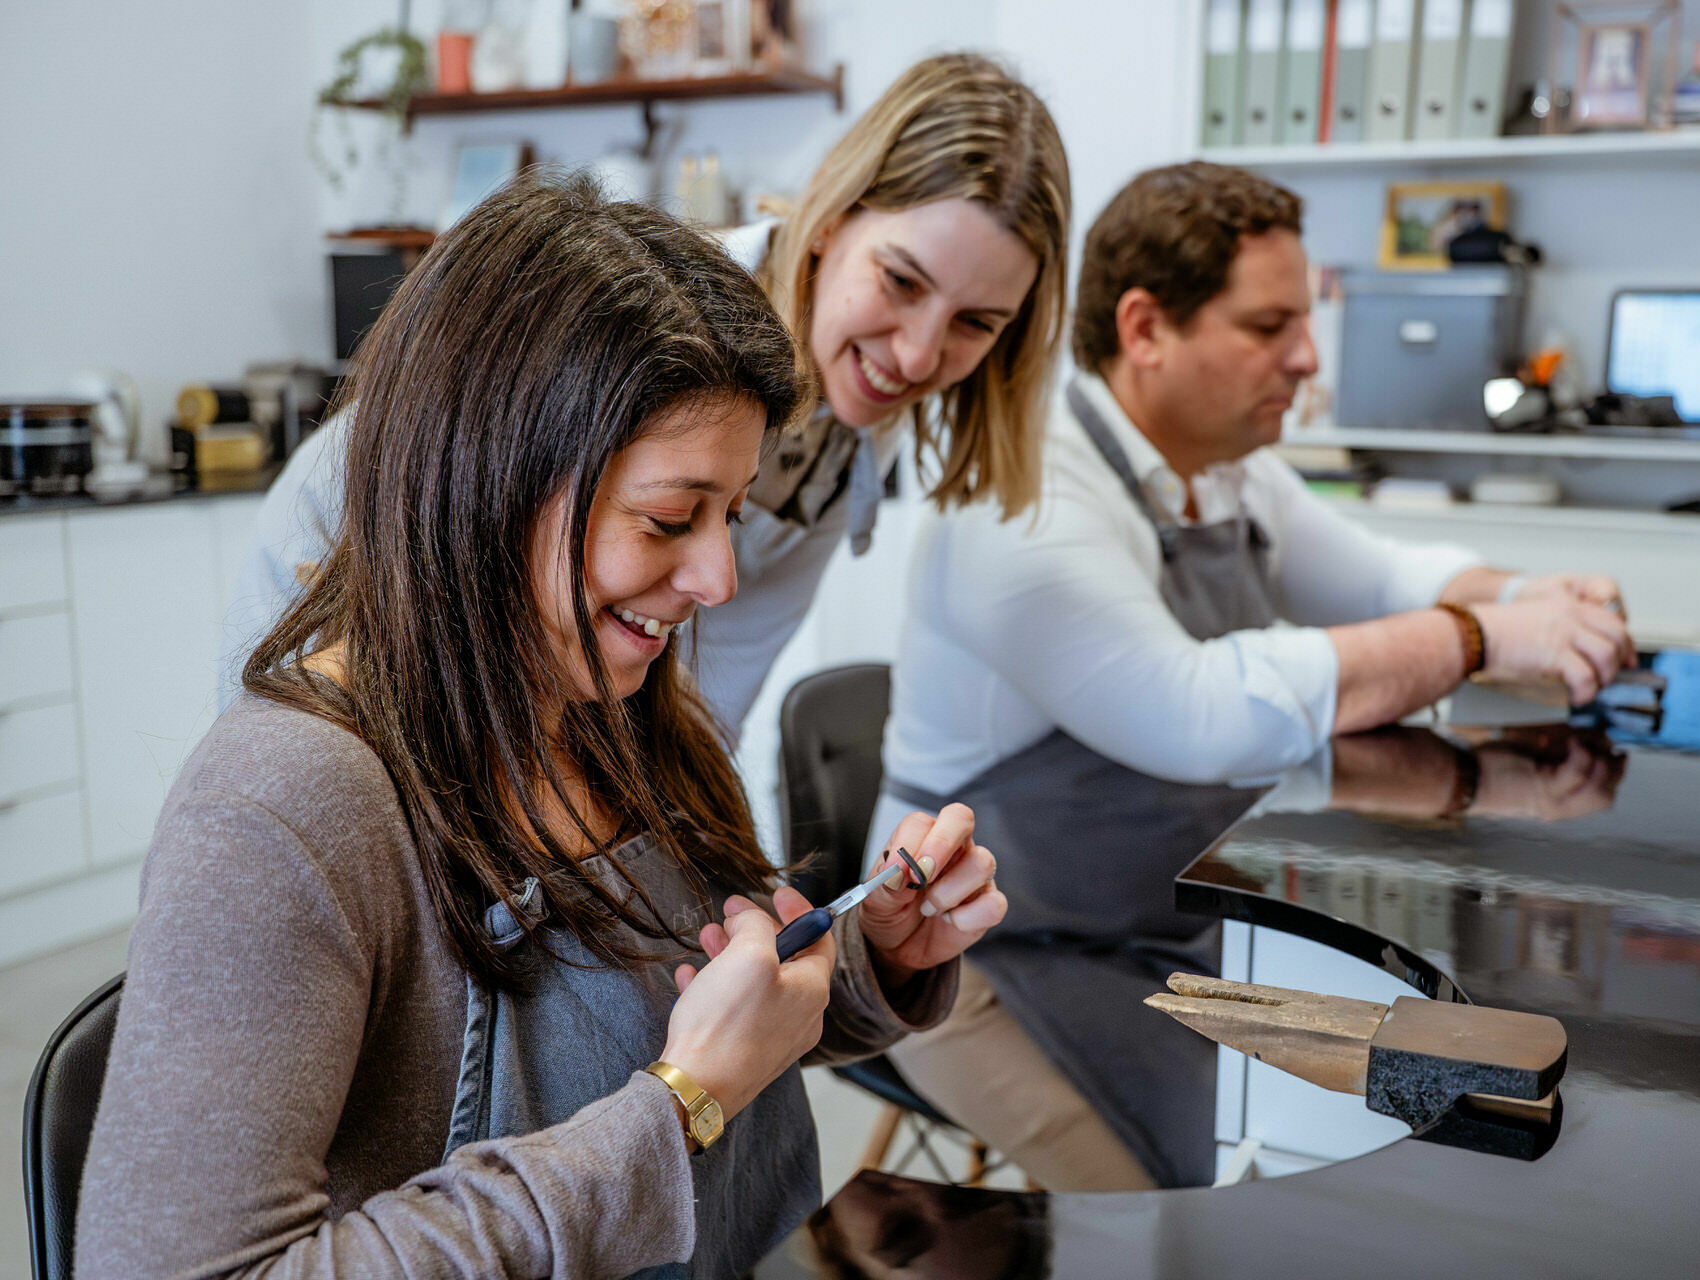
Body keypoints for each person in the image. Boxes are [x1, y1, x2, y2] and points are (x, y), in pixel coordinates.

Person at [77, 176, 1005, 1280]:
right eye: (669, 517)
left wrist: (862, 959)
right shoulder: (281, 805)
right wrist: (682, 1106)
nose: (715, 575)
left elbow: (706, 1017)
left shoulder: (621, 711)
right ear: (488, 479)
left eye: (733, 513)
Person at [865, 161, 1630, 1182]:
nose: (1307, 357)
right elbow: (1202, 710)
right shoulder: (1026, 503)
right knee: (1178, 1217)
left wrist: (1541, 599)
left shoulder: (1223, 465)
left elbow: (1380, 578)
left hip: (1148, 934)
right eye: (1268, 327)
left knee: (1387, 1119)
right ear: (1145, 329)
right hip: (971, 969)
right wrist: (1487, 634)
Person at [222, 52, 1072, 739]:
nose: (920, 354)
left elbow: (713, 696)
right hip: (346, 547)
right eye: (900, 281)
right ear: (836, 219)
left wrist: (717, 874)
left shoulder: (852, 428)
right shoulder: (664, 329)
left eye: (976, 324)